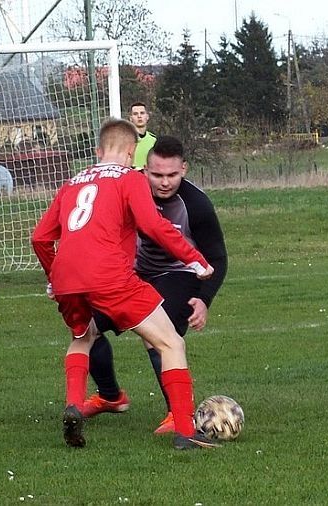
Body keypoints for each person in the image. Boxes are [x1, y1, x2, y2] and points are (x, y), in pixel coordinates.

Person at [31, 118, 219, 450]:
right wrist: (196, 260)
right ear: (132, 153)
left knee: (82, 336)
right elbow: (152, 225)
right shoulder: (129, 178)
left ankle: (74, 404)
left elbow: (40, 238)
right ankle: (185, 431)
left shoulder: (72, 182)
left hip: (66, 279)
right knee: (170, 343)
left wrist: (54, 277)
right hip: (110, 278)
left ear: (98, 151)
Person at [80, 135, 228, 434]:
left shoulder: (196, 204)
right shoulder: (127, 189)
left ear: (184, 168)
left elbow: (217, 257)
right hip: (130, 275)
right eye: (157, 174)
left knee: (156, 335)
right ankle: (111, 397)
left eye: (172, 175)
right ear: (143, 169)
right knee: (84, 327)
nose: (164, 182)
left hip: (178, 273)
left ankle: (177, 414)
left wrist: (204, 299)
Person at [129, 101, 157, 169]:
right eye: (135, 114)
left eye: (142, 113)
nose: (139, 116)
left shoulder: (154, 140)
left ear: (147, 117)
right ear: (130, 118)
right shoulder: (126, 140)